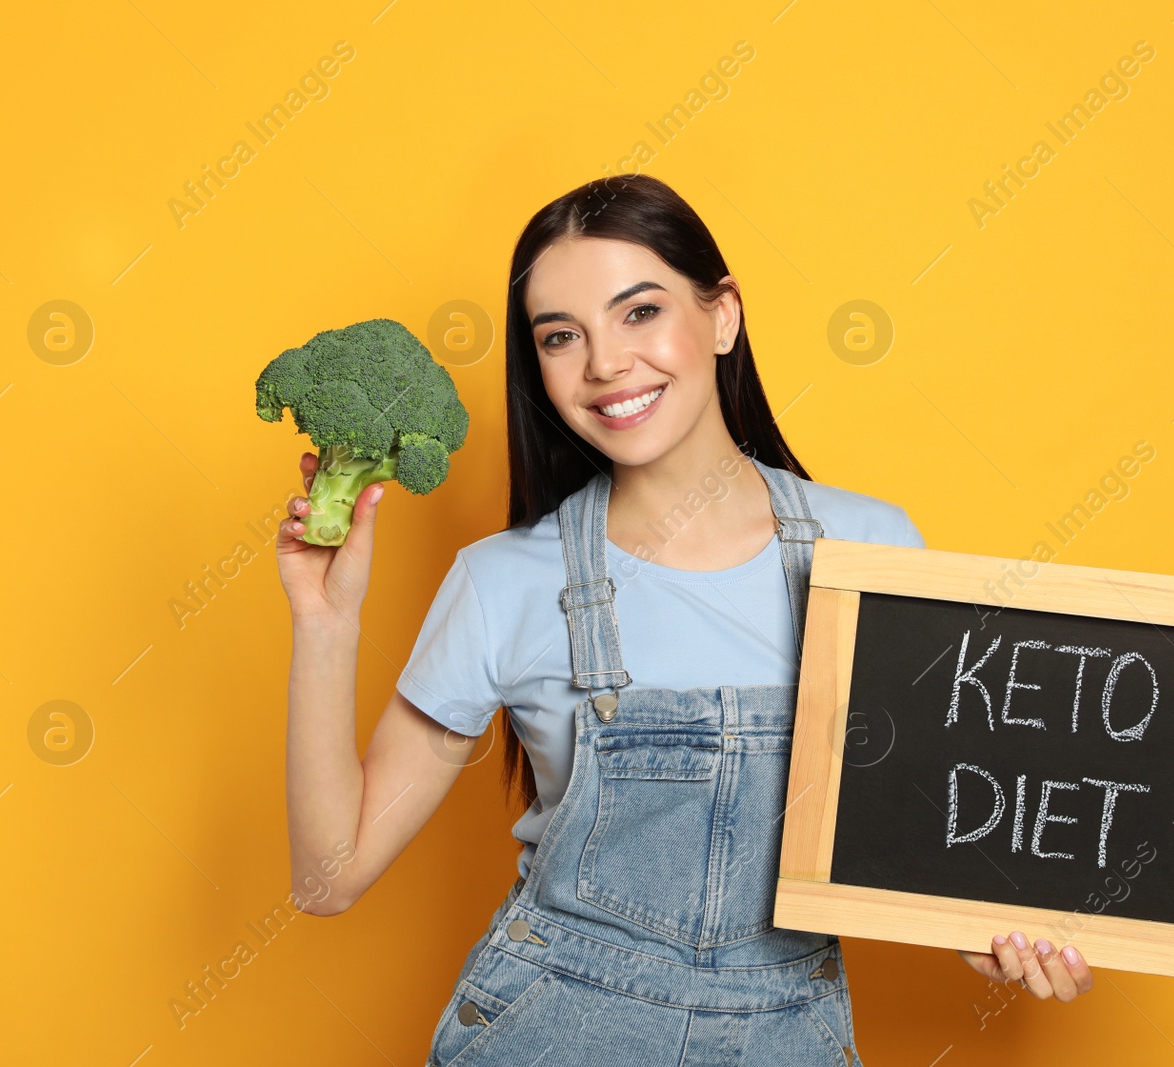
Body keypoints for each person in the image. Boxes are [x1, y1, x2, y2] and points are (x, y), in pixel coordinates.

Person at [278, 173, 1093, 1066]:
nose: (604, 364)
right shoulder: (503, 583)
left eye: (639, 312)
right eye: (561, 336)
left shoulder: (873, 550)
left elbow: (936, 821)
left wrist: (1000, 925)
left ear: (723, 315)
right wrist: (326, 625)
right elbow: (328, 878)